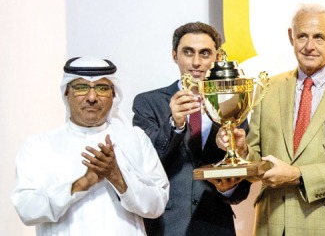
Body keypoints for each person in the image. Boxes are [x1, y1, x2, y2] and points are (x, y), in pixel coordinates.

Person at [220, 3, 325, 236]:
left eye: (319, 37)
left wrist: (297, 175)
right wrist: (242, 150)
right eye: (302, 36)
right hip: (273, 224)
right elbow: (258, 163)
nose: (309, 46)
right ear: (291, 37)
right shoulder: (267, 88)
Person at [13, 57, 170, 235]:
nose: (92, 97)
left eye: (102, 88)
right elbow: (27, 210)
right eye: (81, 87)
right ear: (67, 93)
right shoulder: (39, 146)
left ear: (113, 94)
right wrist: (81, 184)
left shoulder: (135, 140)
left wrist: (117, 177)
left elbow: (157, 204)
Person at [132, 22, 251, 236]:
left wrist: (229, 186)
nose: (196, 62)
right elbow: (144, 166)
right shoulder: (148, 103)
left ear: (217, 57)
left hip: (217, 228)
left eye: (205, 53)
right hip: (165, 227)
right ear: (174, 55)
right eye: (188, 52)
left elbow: (240, 191)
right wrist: (175, 125)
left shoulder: (233, 104)